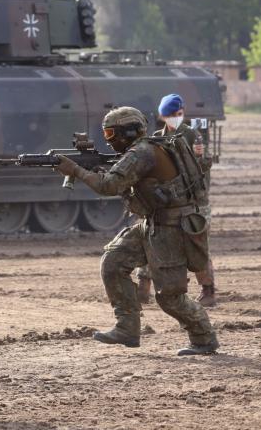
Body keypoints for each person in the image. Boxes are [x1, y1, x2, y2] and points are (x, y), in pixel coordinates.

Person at [54, 106, 218, 355]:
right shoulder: (143, 149)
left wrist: (75, 170)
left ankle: (204, 338)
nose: (109, 141)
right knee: (113, 262)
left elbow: (109, 186)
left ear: (128, 132)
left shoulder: (142, 152)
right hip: (152, 223)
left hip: (171, 227)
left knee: (170, 296)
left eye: (112, 135)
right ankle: (127, 328)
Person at [136, 93, 216, 307]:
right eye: (171, 115)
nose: (176, 118)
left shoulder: (192, 136)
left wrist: (201, 157)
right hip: (168, 201)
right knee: (153, 241)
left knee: (197, 246)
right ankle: (143, 288)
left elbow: (203, 167)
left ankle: (208, 290)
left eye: (179, 114)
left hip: (194, 203)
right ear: (163, 116)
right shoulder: (156, 137)